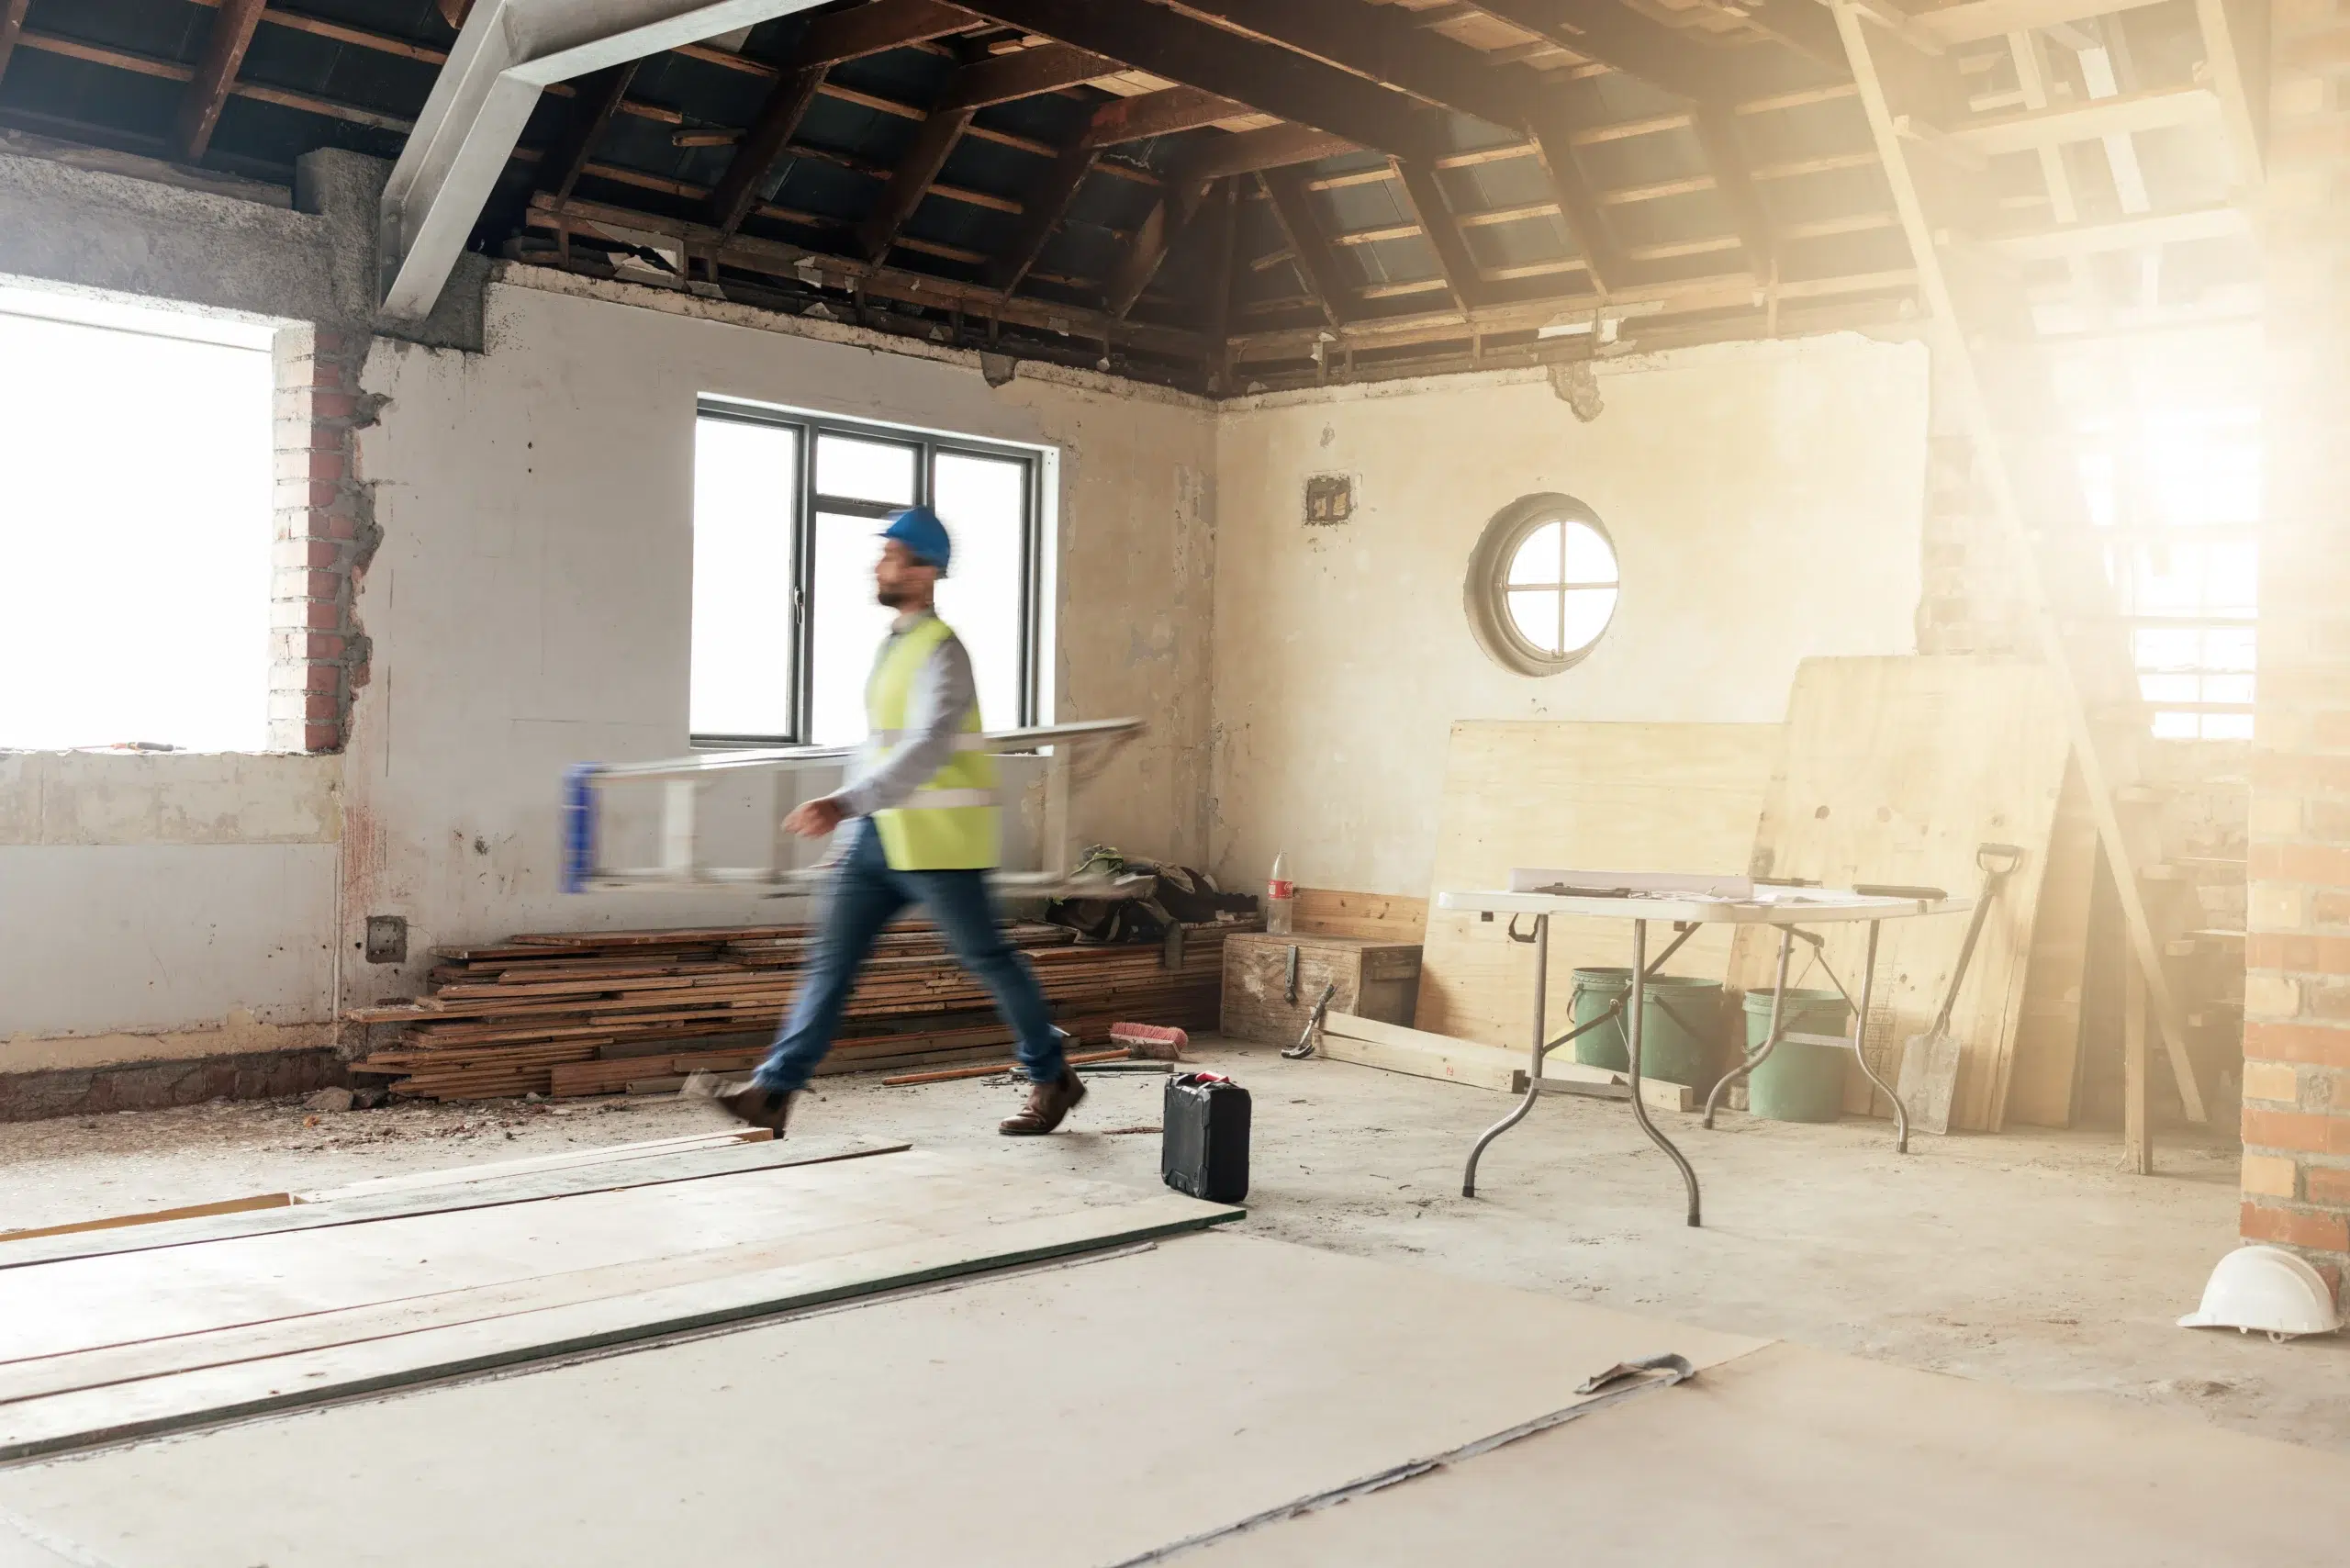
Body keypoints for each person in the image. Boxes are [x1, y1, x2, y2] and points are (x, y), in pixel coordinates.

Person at [693, 505, 1084, 1137]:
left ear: (924, 570)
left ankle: (1052, 1075)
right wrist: (851, 832)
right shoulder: (894, 648)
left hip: (940, 844)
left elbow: (928, 744)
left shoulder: (943, 650)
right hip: (877, 838)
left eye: (892, 555)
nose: (879, 564)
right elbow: (880, 745)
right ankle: (774, 1091)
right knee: (831, 963)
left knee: (988, 959)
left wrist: (843, 804)